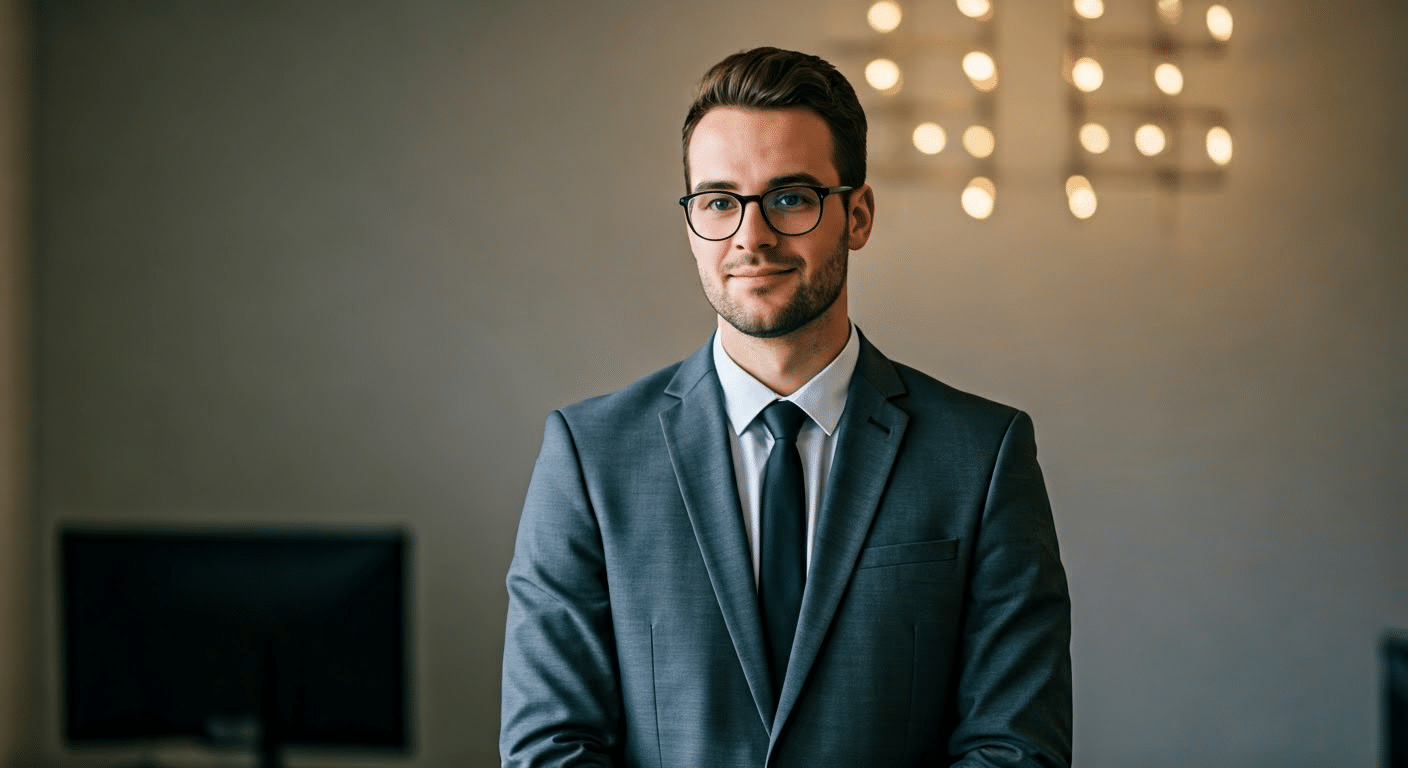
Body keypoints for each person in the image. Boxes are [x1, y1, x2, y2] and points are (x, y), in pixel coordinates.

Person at [501, 46, 1071, 768]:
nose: (751, 236)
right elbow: (550, 748)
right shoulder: (590, 457)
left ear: (857, 216)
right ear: (691, 224)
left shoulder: (982, 456)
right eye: (718, 201)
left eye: (791, 198)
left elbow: (1016, 750)